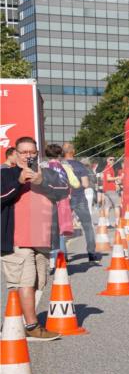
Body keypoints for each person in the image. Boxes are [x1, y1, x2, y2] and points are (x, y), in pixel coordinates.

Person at [1, 137, 60, 340]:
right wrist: (19, 182)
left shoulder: (46, 174)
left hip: (41, 239)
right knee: (24, 282)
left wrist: (41, 181)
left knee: (39, 282)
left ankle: (14, 320)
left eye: (31, 152)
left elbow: (63, 192)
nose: (28, 155)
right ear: (15, 153)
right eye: (24, 152)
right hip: (17, 240)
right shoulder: (6, 174)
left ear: (37, 154)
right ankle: (32, 326)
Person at [61, 143, 99, 263]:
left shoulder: (59, 165)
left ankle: (63, 256)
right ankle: (91, 253)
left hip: (63, 199)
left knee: (62, 228)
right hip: (79, 198)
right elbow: (86, 184)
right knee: (87, 226)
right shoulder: (80, 166)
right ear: (74, 151)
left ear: (63, 152)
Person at [99, 156, 122, 225]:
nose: (112, 161)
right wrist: (117, 177)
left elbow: (104, 178)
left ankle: (107, 223)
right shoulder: (108, 168)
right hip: (111, 189)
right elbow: (109, 178)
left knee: (107, 207)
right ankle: (118, 222)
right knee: (117, 206)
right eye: (110, 159)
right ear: (107, 160)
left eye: (113, 160)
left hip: (106, 190)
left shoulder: (107, 168)